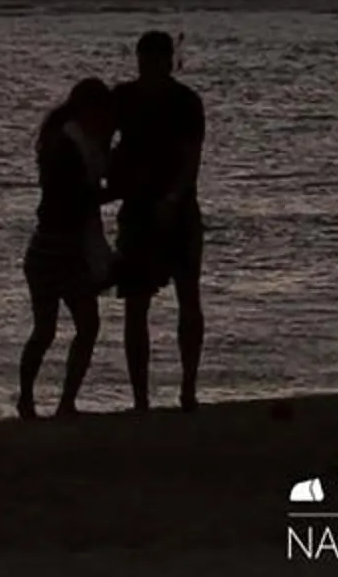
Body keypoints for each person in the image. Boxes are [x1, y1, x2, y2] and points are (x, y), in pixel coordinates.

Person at [108, 29, 207, 411]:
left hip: (176, 209)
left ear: (168, 61)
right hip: (138, 208)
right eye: (143, 60)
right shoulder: (124, 98)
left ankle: (188, 389)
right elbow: (104, 140)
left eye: (154, 61)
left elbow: (190, 158)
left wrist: (172, 197)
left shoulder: (185, 102)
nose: (148, 68)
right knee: (136, 303)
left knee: (188, 296)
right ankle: (140, 398)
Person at [19, 76, 117, 418]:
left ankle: (53, 401)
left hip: (59, 247)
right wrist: (119, 191)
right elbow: (75, 198)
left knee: (69, 327)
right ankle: (41, 400)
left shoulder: (76, 142)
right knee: (60, 328)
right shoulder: (67, 147)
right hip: (57, 248)